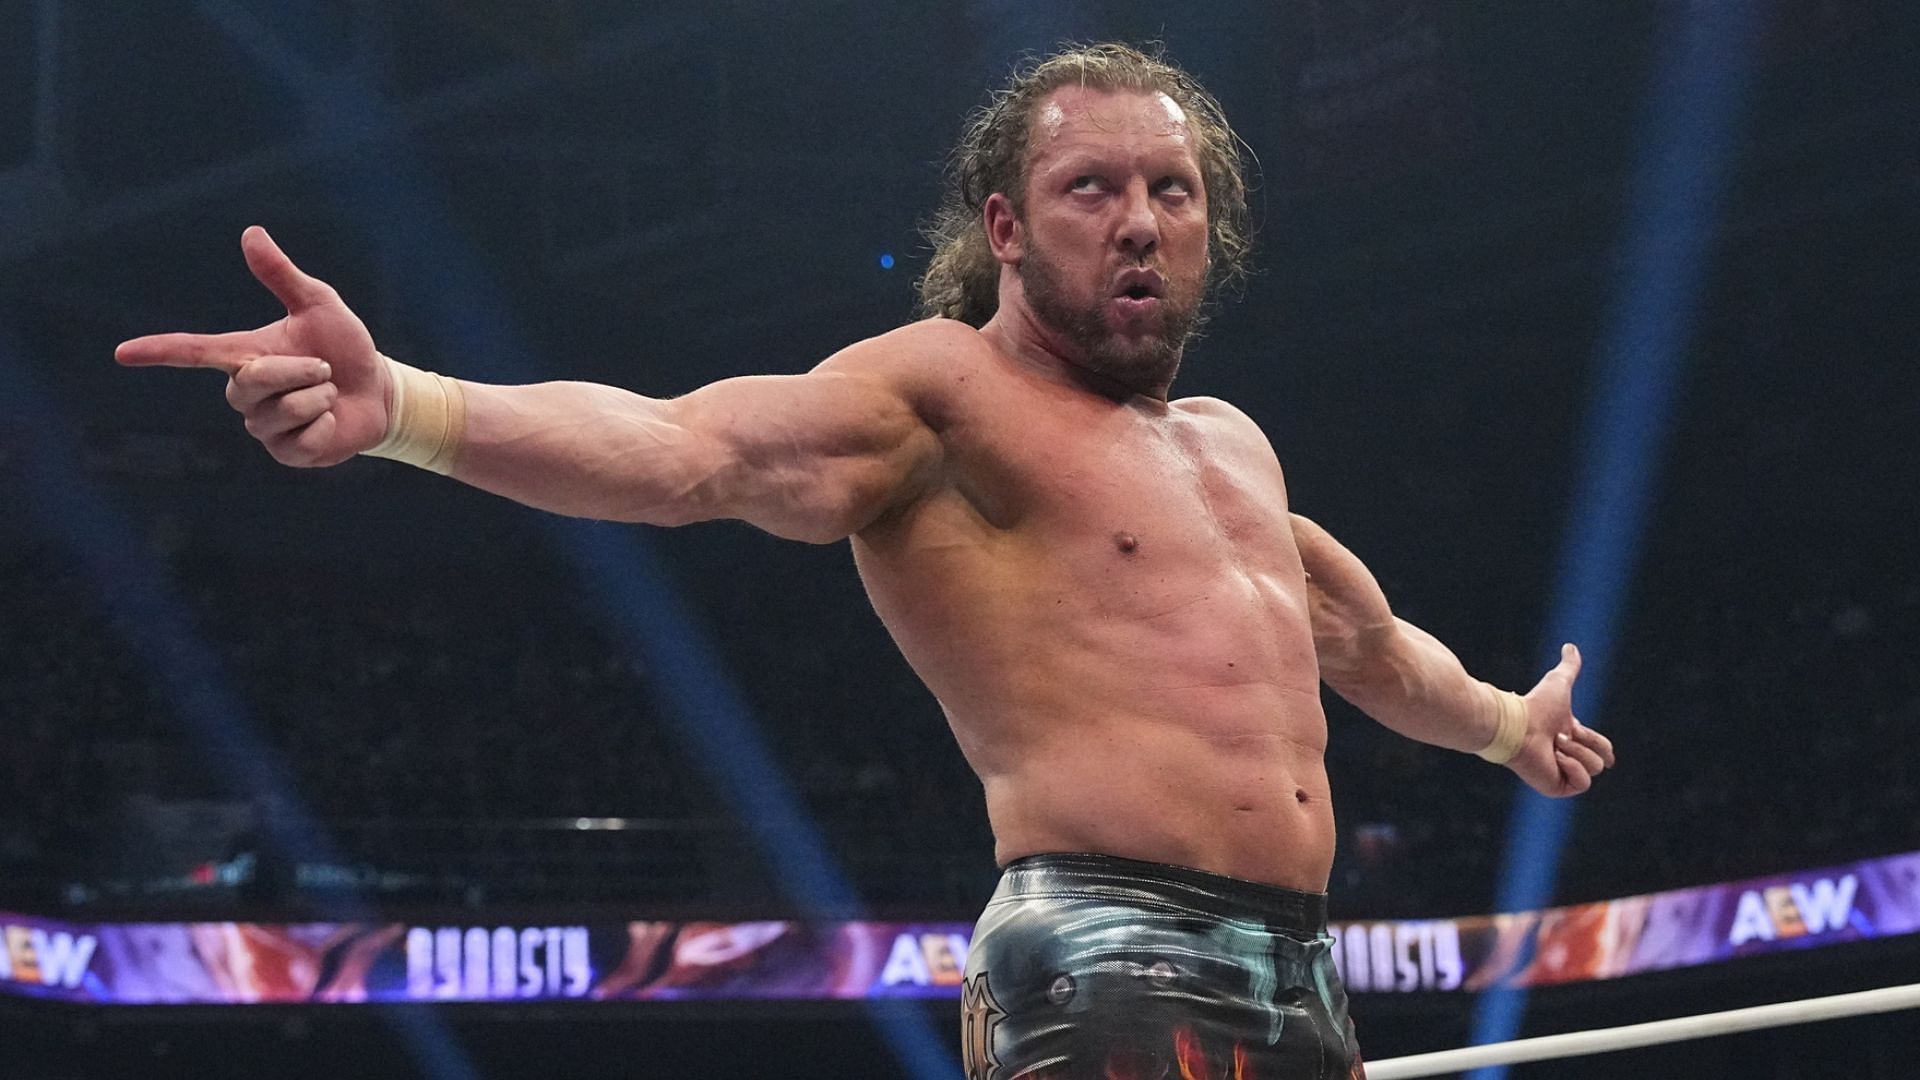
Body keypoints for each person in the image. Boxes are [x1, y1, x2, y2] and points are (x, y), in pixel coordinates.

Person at [118, 42, 1613, 1080]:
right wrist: (405, 408)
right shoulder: (944, 393)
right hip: (1105, 948)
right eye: (1093, 189)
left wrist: (1503, 726)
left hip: (1302, 962)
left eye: (1173, 190)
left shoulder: (1231, 447)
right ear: (1006, 227)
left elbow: (1364, 644)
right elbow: (688, 449)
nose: (1140, 223)